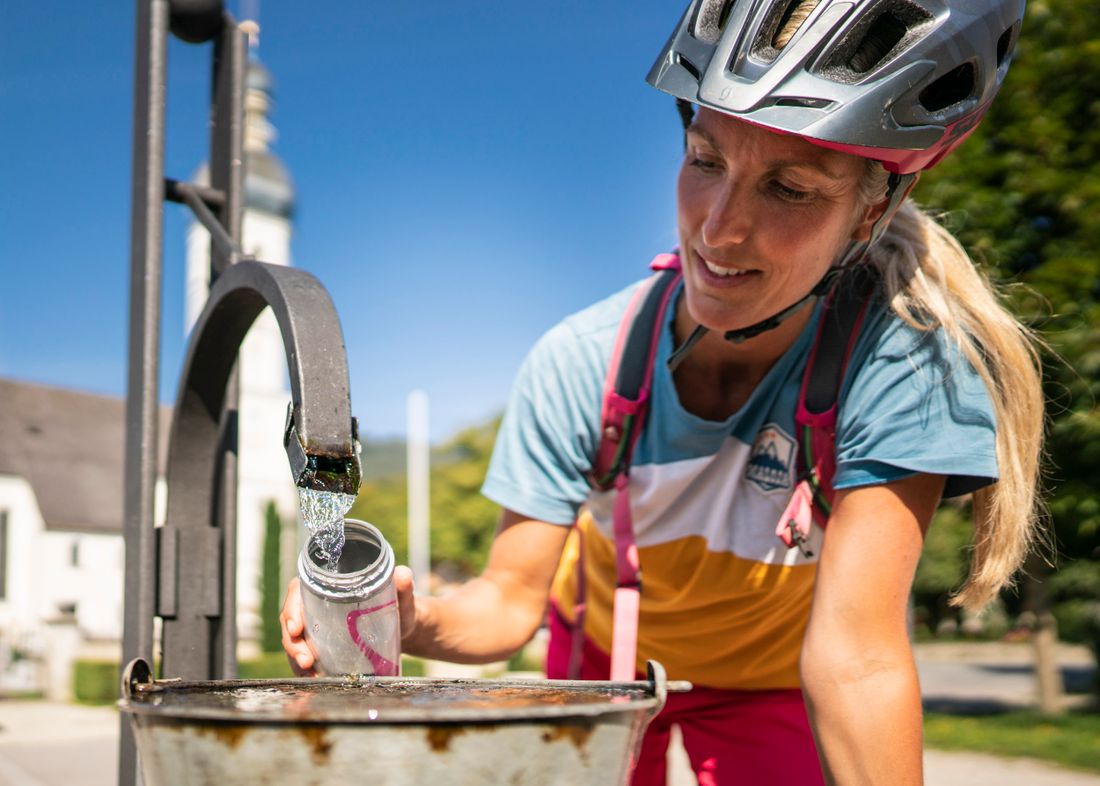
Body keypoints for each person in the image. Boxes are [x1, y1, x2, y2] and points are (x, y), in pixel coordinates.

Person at [282, 1, 1045, 783]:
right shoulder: (583, 360)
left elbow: (857, 657)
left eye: (789, 190)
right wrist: (413, 617)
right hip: (605, 662)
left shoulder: (904, 364)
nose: (719, 231)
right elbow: (510, 603)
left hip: (773, 678)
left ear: (870, 211)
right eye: (706, 161)